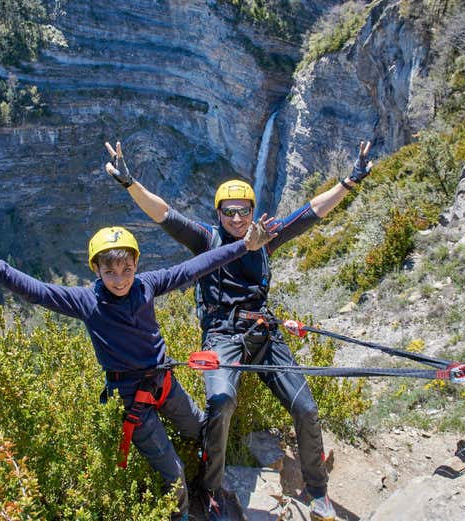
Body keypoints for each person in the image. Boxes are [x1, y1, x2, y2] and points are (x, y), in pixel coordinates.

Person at [103, 139, 373, 521]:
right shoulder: (205, 239)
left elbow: (310, 213)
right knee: (220, 402)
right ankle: (210, 490)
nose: (236, 219)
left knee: (306, 408)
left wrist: (349, 181)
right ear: (219, 214)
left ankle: (317, 491)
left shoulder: (266, 236)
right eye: (228, 212)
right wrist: (131, 183)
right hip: (221, 337)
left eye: (242, 211)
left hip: (263, 333)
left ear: (251, 211)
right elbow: (164, 214)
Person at [0, 219, 276, 521]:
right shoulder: (87, 302)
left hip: (164, 382)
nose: (120, 279)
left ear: (136, 265)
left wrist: (244, 245)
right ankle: (184, 515)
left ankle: (210, 489)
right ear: (97, 270)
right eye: (110, 272)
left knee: (205, 432)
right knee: (174, 476)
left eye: (127, 269)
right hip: (133, 399)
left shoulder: (147, 285)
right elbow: (36, 291)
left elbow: (195, 267)